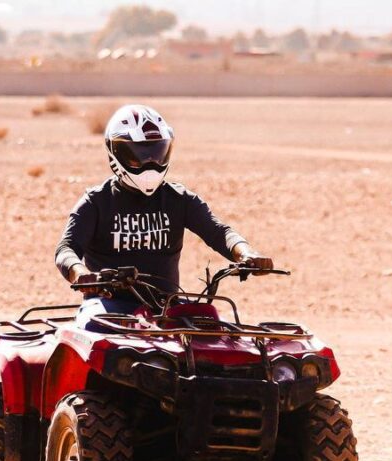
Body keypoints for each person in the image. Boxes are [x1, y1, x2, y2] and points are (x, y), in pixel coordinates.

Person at [55, 104, 273, 329]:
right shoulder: (97, 202)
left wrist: (246, 253)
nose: (150, 163)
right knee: (97, 329)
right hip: (108, 305)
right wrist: (81, 275)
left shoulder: (178, 199)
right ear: (115, 152)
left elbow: (219, 232)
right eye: (139, 154)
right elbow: (66, 249)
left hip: (167, 304)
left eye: (156, 153)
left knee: (213, 329)